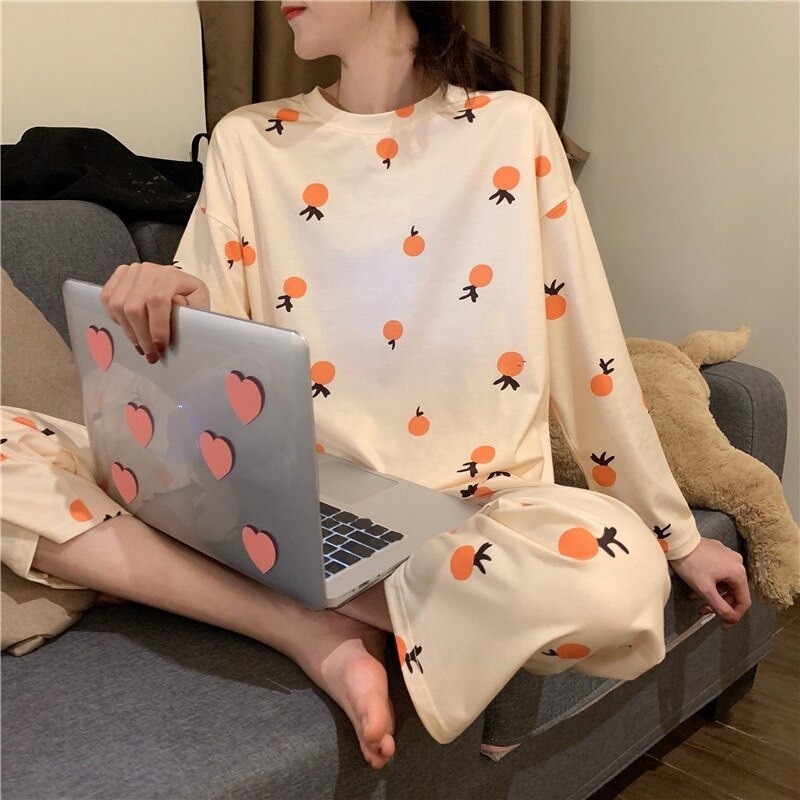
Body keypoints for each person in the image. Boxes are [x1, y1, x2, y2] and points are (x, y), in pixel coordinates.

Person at [1, 0, 751, 770]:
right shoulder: (248, 142)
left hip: (479, 515)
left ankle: (310, 596)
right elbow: (215, 377)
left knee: (622, 581)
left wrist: (674, 535)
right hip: (293, 495)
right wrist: (166, 305)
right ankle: (306, 628)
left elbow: (587, 350)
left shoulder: (512, 130)